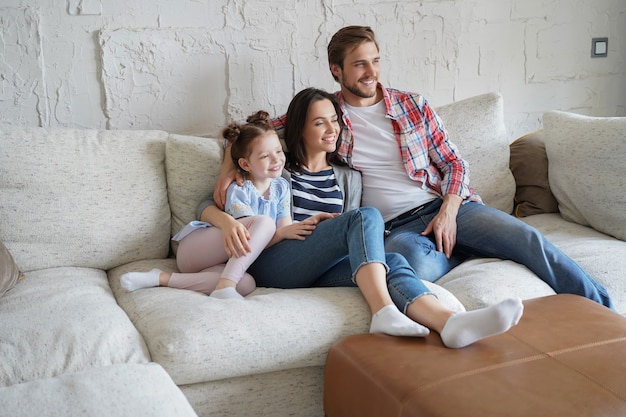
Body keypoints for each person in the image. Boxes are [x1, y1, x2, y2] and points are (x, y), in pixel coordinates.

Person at [251, 25, 611, 310]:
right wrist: (226, 168)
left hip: (446, 207)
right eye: (360, 64)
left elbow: (454, 163)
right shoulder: (324, 113)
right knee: (411, 267)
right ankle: (462, 250)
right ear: (337, 70)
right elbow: (255, 133)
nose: (371, 72)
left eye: (375, 61)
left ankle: (604, 310)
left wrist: (449, 213)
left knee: (528, 239)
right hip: (393, 228)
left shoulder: (412, 105)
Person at [204, 87, 523, 348]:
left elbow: (350, 232)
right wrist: (228, 218)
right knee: (363, 216)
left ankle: (449, 324)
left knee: (394, 261)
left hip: (321, 264)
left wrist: (334, 233)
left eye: (335, 120)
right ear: (298, 129)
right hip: (276, 259)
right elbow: (210, 200)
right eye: (319, 123)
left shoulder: (349, 178)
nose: (331, 129)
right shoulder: (276, 170)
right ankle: (382, 310)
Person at [121, 112, 293, 300]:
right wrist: (282, 233)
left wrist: (302, 228)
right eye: (265, 156)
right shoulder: (239, 189)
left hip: (223, 262)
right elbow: (246, 240)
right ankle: (226, 285)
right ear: (245, 164)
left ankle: (161, 278)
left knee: (246, 283)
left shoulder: (281, 187)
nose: (276, 160)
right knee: (265, 224)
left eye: (278, 151)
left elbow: (284, 230)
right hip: (196, 251)